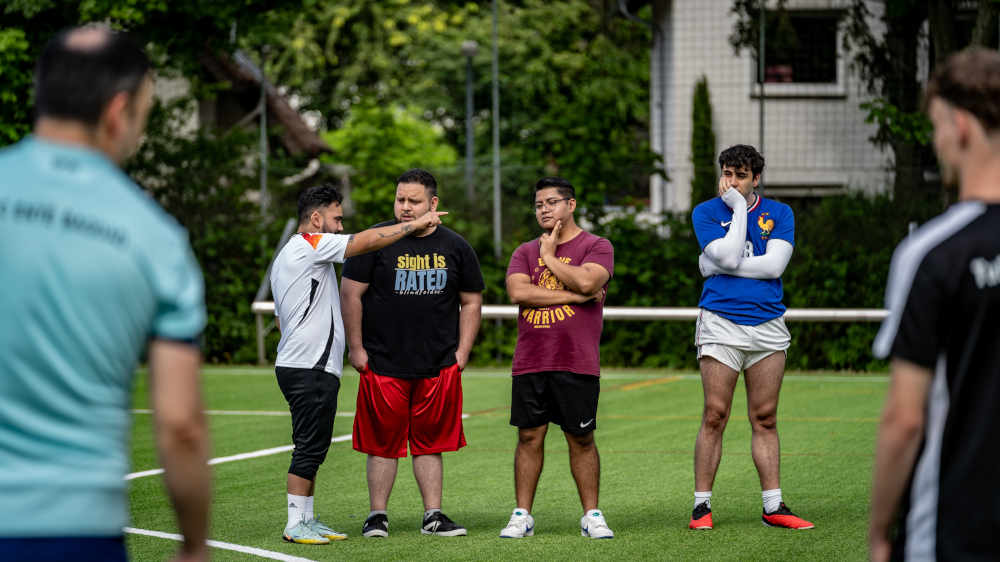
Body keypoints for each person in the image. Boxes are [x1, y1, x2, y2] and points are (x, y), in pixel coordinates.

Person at [0, 25, 210, 561]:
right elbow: (180, 424)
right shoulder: (154, 237)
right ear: (119, 112)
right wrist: (192, 545)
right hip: (72, 528)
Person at [869, 48, 1000, 562]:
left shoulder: (930, 254)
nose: (937, 141)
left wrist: (879, 533)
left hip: (953, 534)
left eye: (937, 125)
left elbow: (905, 418)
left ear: (961, 126)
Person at [270, 183, 446, 544]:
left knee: (313, 447)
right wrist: (414, 225)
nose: (339, 226)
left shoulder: (296, 255)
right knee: (307, 447)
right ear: (316, 219)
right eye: (336, 219)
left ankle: (306, 518)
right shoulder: (309, 244)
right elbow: (361, 243)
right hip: (308, 368)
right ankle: (294, 524)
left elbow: (279, 319)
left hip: (304, 366)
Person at [341, 169, 484, 538]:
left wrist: (462, 352)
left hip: (437, 364)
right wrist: (356, 349)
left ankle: (433, 516)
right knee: (381, 445)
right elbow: (350, 294)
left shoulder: (456, 247)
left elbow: (471, 301)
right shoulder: (375, 240)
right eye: (400, 199)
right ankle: (377, 517)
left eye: (414, 201)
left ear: (433, 204)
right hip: (383, 361)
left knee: (430, 443)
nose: (405, 207)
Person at [689, 145, 813, 531]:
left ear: (755, 178)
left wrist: (718, 265)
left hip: (768, 325)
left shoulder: (780, 213)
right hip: (720, 323)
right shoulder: (706, 212)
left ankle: (773, 506)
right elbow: (726, 257)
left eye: (740, 175)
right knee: (715, 415)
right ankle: (701, 508)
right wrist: (739, 210)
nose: (731, 182)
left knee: (765, 417)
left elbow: (774, 265)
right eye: (727, 173)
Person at [500, 176, 615, 539]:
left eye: (551, 202)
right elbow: (519, 292)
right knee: (529, 437)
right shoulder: (523, 252)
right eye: (538, 205)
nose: (544, 209)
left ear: (571, 205)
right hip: (531, 360)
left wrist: (550, 259)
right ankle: (522, 515)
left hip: (576, 360)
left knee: (581, 438)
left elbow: (588, 282)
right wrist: (575, 296)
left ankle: (591, 515)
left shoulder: (597, 245)